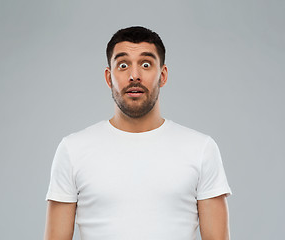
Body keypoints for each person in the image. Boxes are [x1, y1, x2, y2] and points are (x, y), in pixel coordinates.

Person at [44, 26, 232, 240]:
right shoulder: (73, 150)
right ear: (109, 77)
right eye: (123, 65)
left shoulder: (201, 149)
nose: (134, 75)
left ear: (162, 76)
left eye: (146, 64)